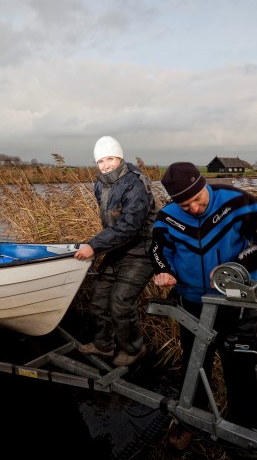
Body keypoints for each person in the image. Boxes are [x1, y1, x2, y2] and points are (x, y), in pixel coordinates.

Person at [150, 162, 257, 450]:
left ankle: (244, 434)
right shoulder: (167, 217)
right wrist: (163, 269)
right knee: (194, 364)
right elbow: (157, 249)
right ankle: (191, 420)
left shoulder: (236, 202)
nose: (193, 209)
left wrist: (237, 265)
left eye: (196, 200)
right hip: (191, 303)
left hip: (237, 304)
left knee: (240, 368)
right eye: (184, 205)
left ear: (204, 185)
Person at [74, 136, 157, 367]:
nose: (106, 165)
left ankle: (134, 349)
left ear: (120, 157)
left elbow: (130, 226)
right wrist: (102, 245)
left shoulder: (136, 183)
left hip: (141, 250)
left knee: (120, 301)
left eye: (110, 158)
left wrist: (94, 246)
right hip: (116, 249)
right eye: (100, 161)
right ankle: (104, 345)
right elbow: (112, 224)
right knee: (99, 299)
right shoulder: (100, 184)